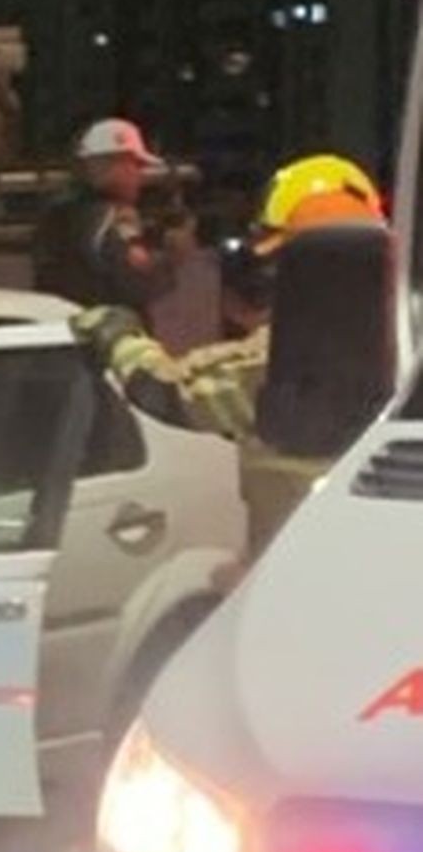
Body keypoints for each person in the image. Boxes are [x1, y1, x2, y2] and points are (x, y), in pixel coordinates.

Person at [74, 153, 393, 560]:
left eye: (277, 264)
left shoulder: (279, 361)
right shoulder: (407, 344)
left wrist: (115, 333)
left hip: (296, 587)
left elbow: (162, 390)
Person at [34, 118, 194, 318]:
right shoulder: (113, 217)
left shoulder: (56, 212)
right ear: (117, 165)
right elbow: (137, 282)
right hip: (108, 335)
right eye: (135, 165)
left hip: (62, 329)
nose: (139, 176)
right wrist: (172, 258)